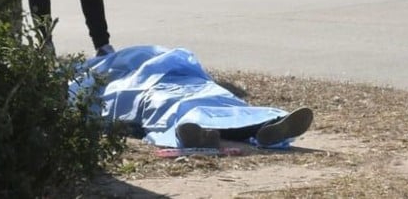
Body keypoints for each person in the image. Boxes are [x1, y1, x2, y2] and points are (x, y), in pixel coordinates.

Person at [69, 45, 314, 149]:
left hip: (165, 80)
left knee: (182, 105)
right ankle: (265, 124)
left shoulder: (98, 67)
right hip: (174, 81)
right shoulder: (103, 66)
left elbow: (83, 92)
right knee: (212, 100)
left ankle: (196, 133)